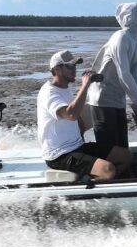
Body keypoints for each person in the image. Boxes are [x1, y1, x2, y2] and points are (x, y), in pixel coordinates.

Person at [37, 50, 131, 181]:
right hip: (59, 155)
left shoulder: (65, 88)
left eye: (75, 66)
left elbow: (77, 118)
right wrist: (85, 84)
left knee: (125, 156)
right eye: (69, 66)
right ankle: (90, 191)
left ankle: (98, 183)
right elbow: (71, 114)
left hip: (77, 146)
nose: (74, 70)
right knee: (108, 170)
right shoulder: (49, 93)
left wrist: (81, 131)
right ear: (57, 69)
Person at [87, 2, 137, 149]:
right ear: (136, 18)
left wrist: (136, 106)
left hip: (118, 100)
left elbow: (136, 75)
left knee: (122, 147)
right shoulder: (121, 38)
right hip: (103, 100)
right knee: (110, 149)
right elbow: (123, 74)